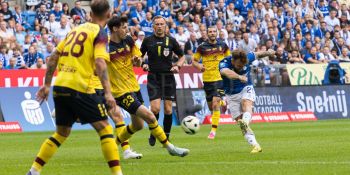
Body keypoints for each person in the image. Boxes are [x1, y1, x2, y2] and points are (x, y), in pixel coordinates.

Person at [26, 1, 123, 175]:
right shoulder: (100, 34)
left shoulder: (75, 30)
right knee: (105, 129)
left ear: (90, 14)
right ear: (109, 15)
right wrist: (108, 93)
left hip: (61, 85)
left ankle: (34, 171)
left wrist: (47, 84)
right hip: (81, 88)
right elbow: (101, 63)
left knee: (61, 133)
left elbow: (54, 56)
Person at [107, 16, 189, 157]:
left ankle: (113, 146)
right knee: (151, 116)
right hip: (120, 91)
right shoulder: (105, 47)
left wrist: (137, 61)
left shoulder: (127, 40)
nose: (127, 30)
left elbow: (138, 62)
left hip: (134, 86)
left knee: (138, 125)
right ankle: (170, 147)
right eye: (124, 27)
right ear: (115, 29)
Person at [219, 49, 275, 153]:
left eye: (243, 66)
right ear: (233, 60)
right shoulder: (224, 63)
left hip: (246, 87)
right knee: (240, 123)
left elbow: (258, 54)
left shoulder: (247, 57)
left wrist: (268, 52)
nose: (241, 67)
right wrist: (239, 76)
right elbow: (226, 72)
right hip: (231, 95)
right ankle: (256, 146)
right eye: (239, 66)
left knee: (246, 103)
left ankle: (245, 121)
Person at [141, 15, 185, 146]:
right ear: (153, 26)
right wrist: (143, 64)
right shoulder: (147, 41)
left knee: (168, 110)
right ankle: (154, 133)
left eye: (162, 24)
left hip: (168, 77)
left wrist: (178, 65)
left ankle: (166, 137)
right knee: (154, 109)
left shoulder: (171, 41)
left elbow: (182, 56)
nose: (159, 26)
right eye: (157, 24)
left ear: (165, 26)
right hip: (153, 77)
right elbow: (139, 57)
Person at [191, 26, 231, 139]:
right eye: (210, 32)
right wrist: (199, 65)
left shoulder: (223, 45)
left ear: (217, 33)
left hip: (220, 78)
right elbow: (193, 61)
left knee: (214, 104)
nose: (212, 33)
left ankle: (213, 131)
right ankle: (223, 103)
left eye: (214, 31)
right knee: (210, 108)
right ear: (207, 33)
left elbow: (230, 58)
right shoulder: (201, 47)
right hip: (207, 80)